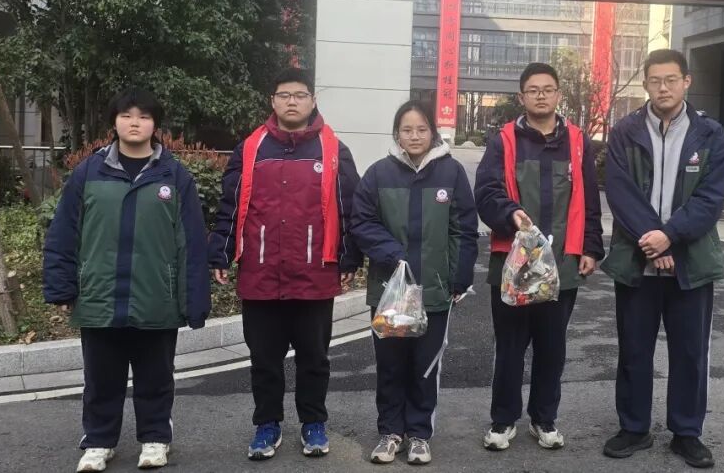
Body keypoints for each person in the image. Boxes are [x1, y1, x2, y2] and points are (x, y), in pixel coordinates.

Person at [43, 89, 210, 473]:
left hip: (156, 299)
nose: (135, 123)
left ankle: (155, 438)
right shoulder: (89, 172)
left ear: (156, 125)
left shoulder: (174, 176)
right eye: (126, 115)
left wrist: (194, 299)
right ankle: (99, 441)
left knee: (156, 376)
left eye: (144, 116)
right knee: (101, 378)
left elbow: (191, 243)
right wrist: (61, 285)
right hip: (99, 296)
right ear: (114, 122)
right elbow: (65, 232)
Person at [207, 67, 361, 461]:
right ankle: (267, 425)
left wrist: (349, 256)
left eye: (300, 94)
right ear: (272, 101)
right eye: (284, 95)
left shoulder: (333, 148)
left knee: (315, 359)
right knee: (264, 360)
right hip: (260, 272)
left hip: (314, 273)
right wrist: (221, 250)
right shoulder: (251, 147)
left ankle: (313, 423)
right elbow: (230, 204)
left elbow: (349, 207)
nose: (292, 101)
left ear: (313, 100)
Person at [600, 49, 724, 469]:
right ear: (645, 84)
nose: (663, 88)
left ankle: (687, 433)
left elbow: (711, 198)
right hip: (636, 262)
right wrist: (653, 242)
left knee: (690, 352)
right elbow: (619, 191)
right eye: (655, 80)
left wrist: (669, 237)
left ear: (686, 81)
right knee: (634, 349)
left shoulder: (710, 134)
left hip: (690, 263)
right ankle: (634, 427)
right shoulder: (625, 131)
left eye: (671, 79)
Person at [474, 62, 604, 451]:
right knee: (510, 347)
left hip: (561, 263)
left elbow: (590, 199)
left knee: (552, 348)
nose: (541, 95)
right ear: (522, 97)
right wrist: (510, 213)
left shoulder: (577, 141)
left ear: (559, 95)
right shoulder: (504, 140)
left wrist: (591, 247)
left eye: (548, 89)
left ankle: (544, 419)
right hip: (513, 266)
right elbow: (486, 192)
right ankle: (503, 421)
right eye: (533, 90)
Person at [351, 101, 479, 466]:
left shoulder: (451, 172)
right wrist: (393, 253)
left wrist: (460, 275)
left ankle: (420, 433)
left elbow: (464, 229)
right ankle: (391, 432)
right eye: (407, 130)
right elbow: (361, 222)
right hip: (389, 291)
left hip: (434, 290)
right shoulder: (379, 173)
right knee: (391, 365)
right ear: (397, 135)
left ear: (432, 132)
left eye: (421, 129)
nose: (414, 136)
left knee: (425, 366)